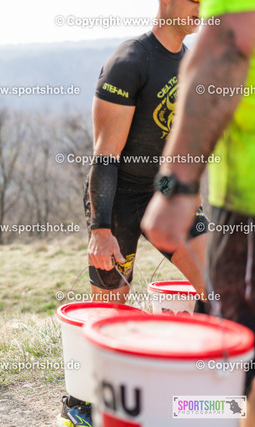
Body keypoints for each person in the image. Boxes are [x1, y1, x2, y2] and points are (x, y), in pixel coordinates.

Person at [59, 1, 206, 426]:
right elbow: (105, 155)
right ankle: (81, 402)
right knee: (110, 308)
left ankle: (193, 383)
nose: (202, 7)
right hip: (117, 200)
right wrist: (100, 229)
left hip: (164, 195)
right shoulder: (130, 61)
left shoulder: (190, 63)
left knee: (216, 283)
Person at [141, 2, 255, 425]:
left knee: (242, 360)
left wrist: (176, 186)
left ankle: (186, 408)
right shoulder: (133, 60)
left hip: (244, 201)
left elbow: (227, 41)